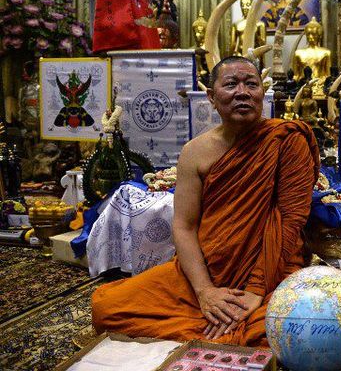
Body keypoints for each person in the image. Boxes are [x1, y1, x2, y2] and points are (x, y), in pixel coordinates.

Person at [91, 56, 320, 345]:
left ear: (263, 93)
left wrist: (256, 289)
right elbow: (184, 227)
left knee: (279, 330)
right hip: (208, 270)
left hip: (272, 267)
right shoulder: (195, 152)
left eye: (251, 84)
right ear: (212, 97)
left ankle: (227, 330)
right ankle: (220, 327)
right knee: (106, 308)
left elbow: (290, 221)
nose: (242, 92)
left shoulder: (287, 139)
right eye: (231, 84)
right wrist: (205, 292)